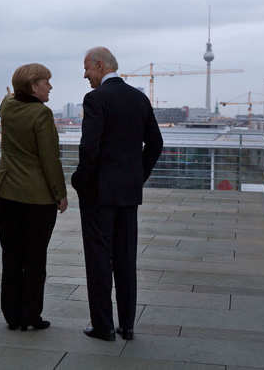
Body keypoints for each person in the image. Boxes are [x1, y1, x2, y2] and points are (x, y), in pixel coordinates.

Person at [72, 47, 163, 341]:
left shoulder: (95, 99)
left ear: (100, 65)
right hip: (128, 193)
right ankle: (127, 325)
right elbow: (156, 143)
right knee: (126, 259)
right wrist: (138, 176)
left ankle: (103, 326)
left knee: (99, 259)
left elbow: (89, 148)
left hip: (99, 195)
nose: (85, 74)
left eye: (87, 68)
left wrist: (81, 182)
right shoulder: (139, 98)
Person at [0, 63, 68, 331]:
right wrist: (60, 193)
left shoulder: (7, 107)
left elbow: (9, 96)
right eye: (46, 82)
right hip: (37, 198)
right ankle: (30, 315)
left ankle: (12, 314)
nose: (50, 86)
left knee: (11, 254)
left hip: (6, 193)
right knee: (35, 258)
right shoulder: (42, 115)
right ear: (33, 86)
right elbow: (50, 159)